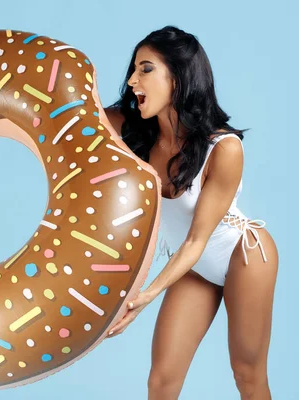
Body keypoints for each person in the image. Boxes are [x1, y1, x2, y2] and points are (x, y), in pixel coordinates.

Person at [103, 26, 279, 400]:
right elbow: (78, 121)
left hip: (242, 256)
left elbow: (198, 239)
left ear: (178, 79)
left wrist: (145, 296)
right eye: (133, 69)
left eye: (146, 69)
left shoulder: (224, 148)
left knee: (247, 374)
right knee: (161, 382)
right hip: (192, 264)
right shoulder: (135, 129)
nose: (133, 79)